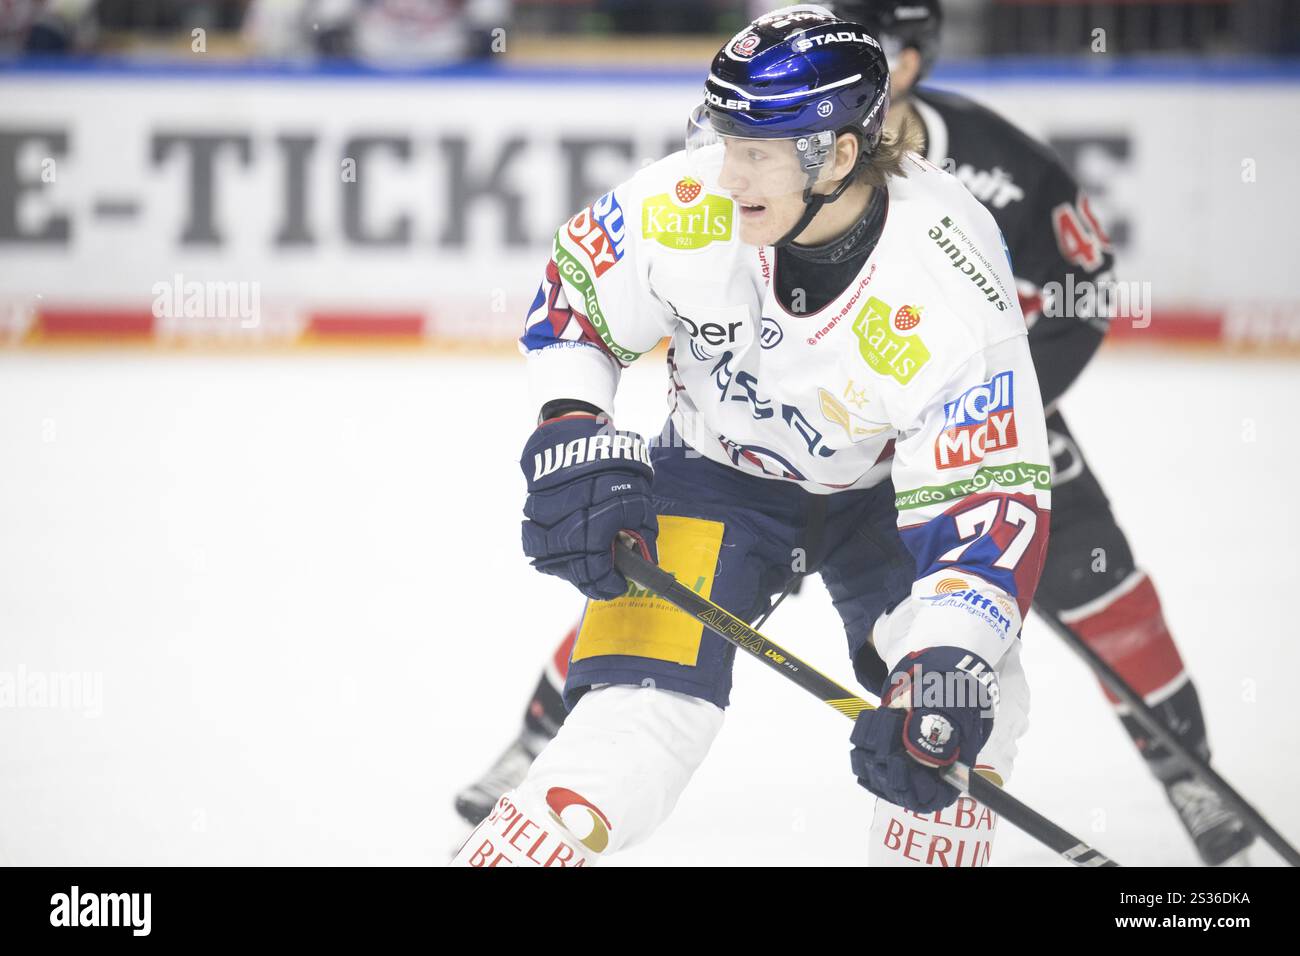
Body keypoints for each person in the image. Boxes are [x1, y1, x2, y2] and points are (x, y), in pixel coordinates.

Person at [454, 0, 1254, 869]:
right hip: (715, 481)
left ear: (838, 154)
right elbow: (575, 304)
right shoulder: (686, 199)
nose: (725, 175)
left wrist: (948, 657)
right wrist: (573, 424)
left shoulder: (946, 273)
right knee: (632, 730)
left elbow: (989, 499)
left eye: (755, 153)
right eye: (726, 139)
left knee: (957, 736)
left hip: (892, 500)